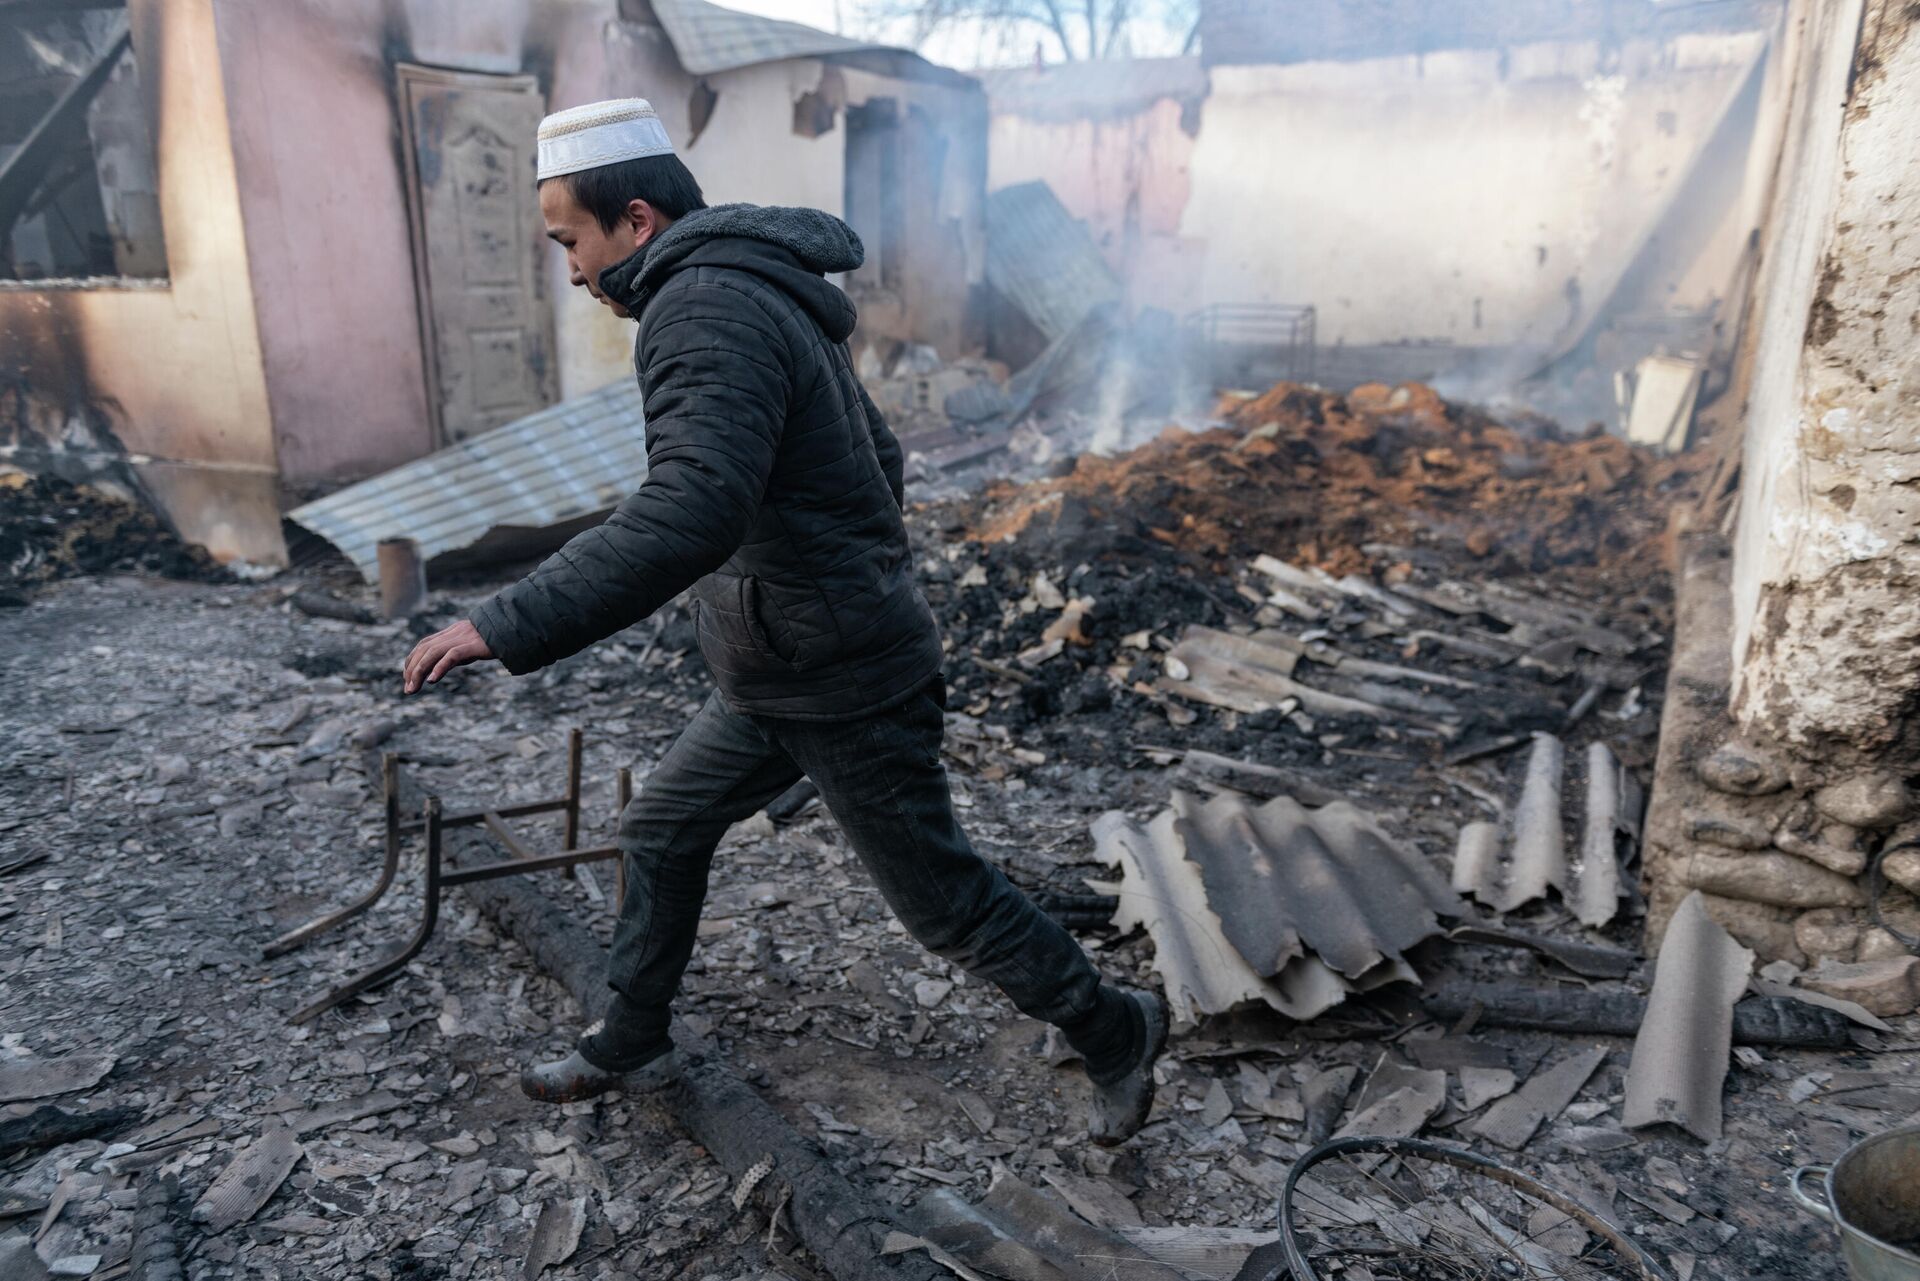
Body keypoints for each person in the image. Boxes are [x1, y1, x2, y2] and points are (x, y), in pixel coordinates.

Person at [401, 99, 1166, 1145]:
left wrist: (509, 619)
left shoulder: (702, 311)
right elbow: (876, 457)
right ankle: (633, 1037)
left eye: (568, 242)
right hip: (783, 660)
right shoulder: (752, 287)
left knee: (940, 901)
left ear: (634, 221)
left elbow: (688, 509)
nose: (570, 269)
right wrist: (816, 577)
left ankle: (1115, 1027)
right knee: (663, 827)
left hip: (839, 677)